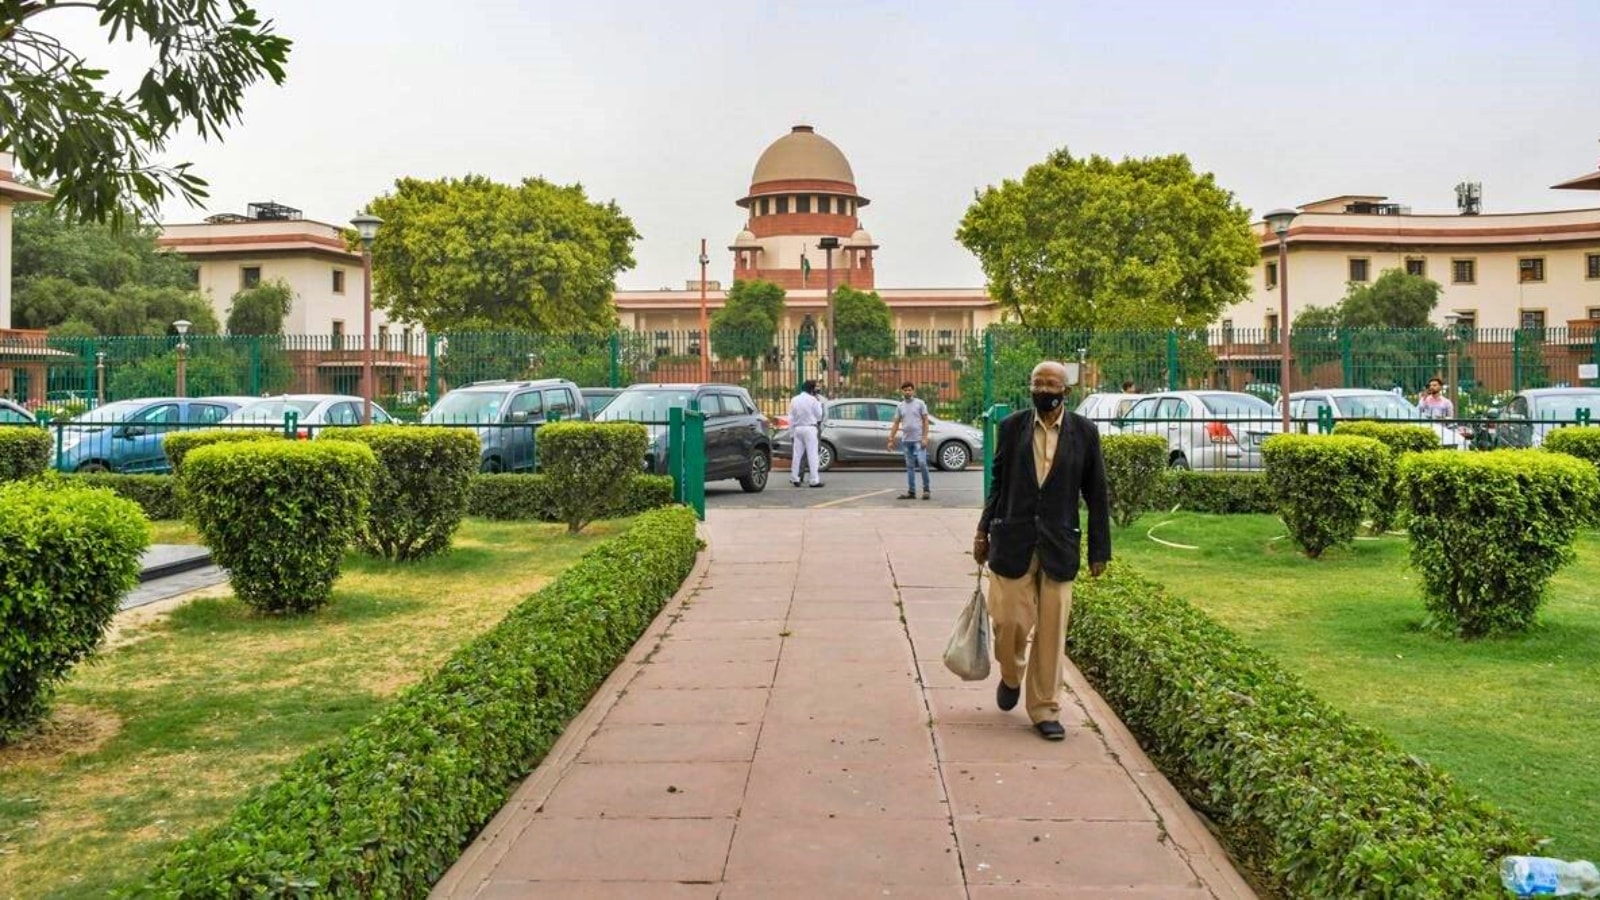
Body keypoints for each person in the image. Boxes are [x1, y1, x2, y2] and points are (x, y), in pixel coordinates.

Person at [974, 361, 1111, 741]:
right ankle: (1010, 674)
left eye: (1051, 384)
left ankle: (1046, 708)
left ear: (1066, 390)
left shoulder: (1084, 433)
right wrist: (982, 530)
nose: (1044, 390)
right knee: (1008, 623)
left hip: (1059, 544)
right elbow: (998, 484)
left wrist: (1099, 549)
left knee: (1052, 632)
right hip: (1012, 540)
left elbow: (1096, 493)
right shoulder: (1012, 427)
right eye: (1038, 383)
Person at [886, 380, 932, 500]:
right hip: (906, 441)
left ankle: (926, 490)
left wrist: (925, 437)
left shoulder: (920, 403)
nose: (907, 392)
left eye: (909, 390)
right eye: (905, 390)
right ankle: (911, 492)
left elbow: (926, 421)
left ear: (913, 391)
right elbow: (896, 423)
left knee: (922, 463)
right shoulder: (900, 406)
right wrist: (891, 439)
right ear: (902, 391)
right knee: (910, 466)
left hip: (919, 440)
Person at [788, 379, 827, 488]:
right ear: (812, 389)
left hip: (797, 429)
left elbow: (791, 417)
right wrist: (818, 403)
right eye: (816, 387)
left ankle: (795, 477)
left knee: (797, 455)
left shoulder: (794, 399)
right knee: (812, 455)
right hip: (810, 428)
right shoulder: (813, 400)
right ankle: (814, 480)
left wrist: (791, 432)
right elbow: (819, 416)